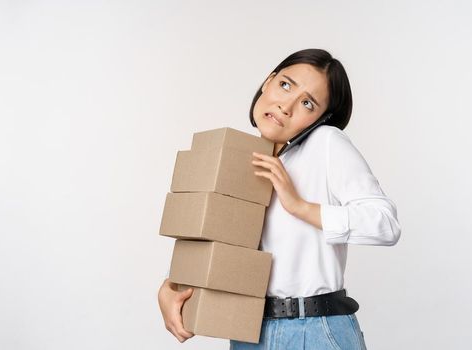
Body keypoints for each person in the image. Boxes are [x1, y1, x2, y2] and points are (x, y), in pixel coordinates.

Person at [157, 48, 401, 349]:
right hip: (249, 331)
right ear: (268, 82)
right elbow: (223, 242)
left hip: (312, 331)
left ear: (320, 118)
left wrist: (299, 205)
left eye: (307, 103)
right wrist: (171, 284)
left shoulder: (326, 144)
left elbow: (386, 224)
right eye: (286, 85)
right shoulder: (247, 157)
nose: (286, 106)